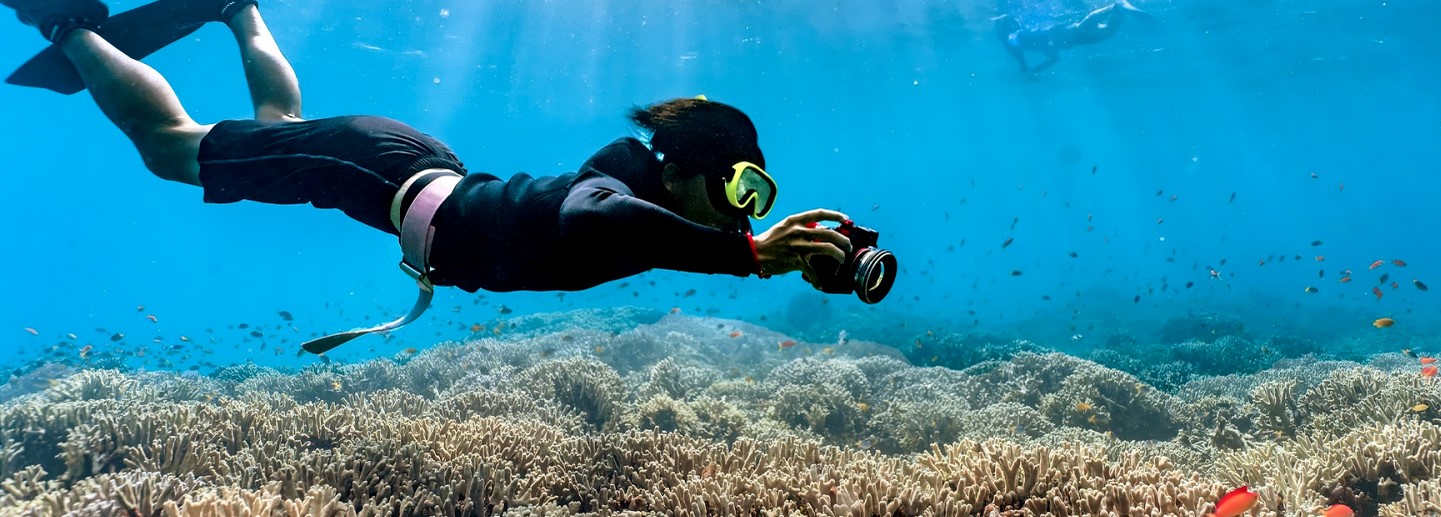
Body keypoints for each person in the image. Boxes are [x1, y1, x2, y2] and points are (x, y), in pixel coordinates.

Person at [1, 0, 859, 353]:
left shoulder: (641, 188)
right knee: (170, 148)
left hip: (402, 171)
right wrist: (749, 255)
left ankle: (236, 7)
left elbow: (633, 223)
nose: (745, 209)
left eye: (758, 198)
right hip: (387, 173)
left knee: (284, 134)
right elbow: (594, 221)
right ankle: (70, 21)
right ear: (686, 173)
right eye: (742, 188)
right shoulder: (617, 196)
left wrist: (764, 248)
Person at [996, 0, 1152, 79]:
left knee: (1095, 28)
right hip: (1075, 36)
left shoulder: (1034, 41)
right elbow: (1054, 57)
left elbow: (1053, 57)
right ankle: (1119, 7)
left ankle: (1117, 7)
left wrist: (1033, 69)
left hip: (1074, 36)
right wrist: (1035, 69)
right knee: (1106, 30)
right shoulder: (1039, 41)